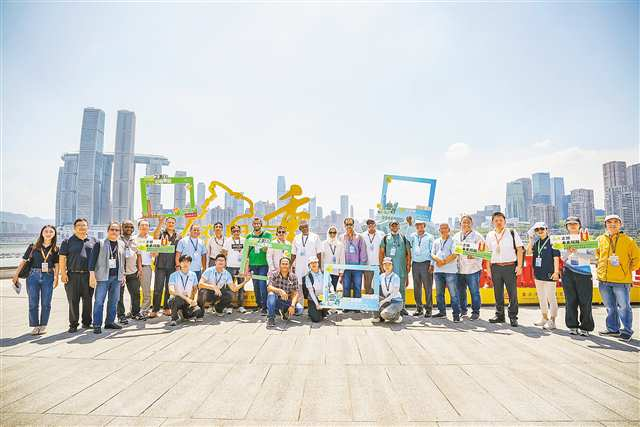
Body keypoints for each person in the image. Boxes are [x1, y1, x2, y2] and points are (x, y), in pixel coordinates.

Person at [596, 214, 640, 342]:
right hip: (603, 280)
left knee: (624, 307)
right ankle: (613, 329)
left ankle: (627, 331)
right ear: (605, 225)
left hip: (621, 281)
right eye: (609, 222)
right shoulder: (600, 239)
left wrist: (626, 270)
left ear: (620, 225)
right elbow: (598, 255)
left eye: (616, 222)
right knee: (610, 306)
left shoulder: (628, 240)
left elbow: (637, 259)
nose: (612, 224)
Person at [12, 225, 59, 335]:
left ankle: (43, 325)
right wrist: (16, 275)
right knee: (33, 302)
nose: (48, 233)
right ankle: (35, 326)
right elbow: (23, 261)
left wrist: (56, 278)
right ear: (42, 233)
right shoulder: (33, 247)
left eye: (51, 231)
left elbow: (56, 265)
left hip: (48, 276)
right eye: (46, 231)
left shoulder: (56, 249)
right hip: (32, 276)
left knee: (46, 303)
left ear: (54, 234)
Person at [485, 212, 524, 327]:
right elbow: (487, 253)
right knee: (498, 293)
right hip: (495, 267)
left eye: (500, 220)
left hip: (510, 266)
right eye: (496, 220)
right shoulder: (490, 235)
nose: (498, 222)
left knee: (512, 293)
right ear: (492, 222)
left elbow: (520, 249)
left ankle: (513, 317)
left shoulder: (512, 232)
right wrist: (488, 269)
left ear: (504, 221)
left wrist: (520, 266)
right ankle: (499, 315)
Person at [59, 218, 97, 333]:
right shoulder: (67, 241)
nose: (82, 227)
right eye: (79, 225)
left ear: (87, 227)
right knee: (73, 301)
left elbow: (96, 260)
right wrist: (63, 274)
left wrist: (94, 276)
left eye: (84, 225)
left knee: (88, 300)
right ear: (74, 228)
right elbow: (62, 258)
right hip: (72, 276)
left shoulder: (93, 241)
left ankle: (86, 323)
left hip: (88, 275)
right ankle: (73, 324)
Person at [560, 216, 595, 336]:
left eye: (575, 223)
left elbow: (592, 257)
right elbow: (562, 258)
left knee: (585, 301)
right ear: (566, 227)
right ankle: (572, 326)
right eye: (569, 224)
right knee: (570, 301)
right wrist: (568, 252)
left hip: (584, 273)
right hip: (568, 272)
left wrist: (577, 252)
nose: (572, 226)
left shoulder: (586, 238)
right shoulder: (564, 240)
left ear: (579, 225)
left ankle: (586, 327)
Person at [89, 222, 126, 334]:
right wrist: (92, 276)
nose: (114, 232)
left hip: (117, 277)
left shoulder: (121, 244)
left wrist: (123, 275)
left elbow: (122, 261)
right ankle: (97, 324)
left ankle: (110, 322)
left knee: (114, 301)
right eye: (112, 230)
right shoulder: (99, 243)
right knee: (99, 301)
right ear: (108, 231)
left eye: (116, 230)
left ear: (119, 232)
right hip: (102, 277)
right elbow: (92, 261)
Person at [526, 222, 560, 330]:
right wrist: (531, 239)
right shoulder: (537, 243)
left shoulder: (553, 242)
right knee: (541, 298)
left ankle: (552, 320)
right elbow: (528, 253)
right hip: (538, 274)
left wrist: (556, 272)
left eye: (542, 229)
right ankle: (544, 318)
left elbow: (556, 258)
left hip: (550, 274)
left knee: (551, 297)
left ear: (546, 229)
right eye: (537, 230)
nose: (540, 231)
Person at [453, 215, 484, 320]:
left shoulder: (478, 236)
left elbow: (484, 253)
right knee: (461, 291)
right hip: (459, 269)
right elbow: (453, 250)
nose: (465, 224)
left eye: (468, 222)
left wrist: (475, 254)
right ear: (460, 224)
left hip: (473, 269)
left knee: (474, 291)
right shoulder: (456, 236)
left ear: (472, 224)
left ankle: (476, 312)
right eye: (463, 222)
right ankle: (463, 311)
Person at [150, 216, 181, 318]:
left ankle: (166, 308)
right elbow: (155, 236)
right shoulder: (161, 233)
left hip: (172, 265)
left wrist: (178, 265)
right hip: (160, 265)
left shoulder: (178, 236)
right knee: (158, 288)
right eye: (169, 222)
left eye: (173, 222)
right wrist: (160, 223)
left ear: (175, 224)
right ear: (166, 223)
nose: (171, 224)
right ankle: (155, 309)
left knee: (169, 288)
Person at [379, 219, 412, 315]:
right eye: (392, 226)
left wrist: (408, 265)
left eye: (396, 225)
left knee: (401, 288)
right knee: (388, 289)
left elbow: (408, 253)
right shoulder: (385, 238)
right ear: (390, 227)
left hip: (401, 268)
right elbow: (381, 252)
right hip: (389, 269)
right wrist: (381, 266)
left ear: (399, 226)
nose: (394, 227)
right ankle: (388, 307)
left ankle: (402, 307)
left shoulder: (403, 237)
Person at [431, 223, 461, 322]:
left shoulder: (454, 241)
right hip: (438, 271)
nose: (443, 230)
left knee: (453, 294)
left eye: (445, 228)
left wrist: (443, 262)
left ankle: (456, 314)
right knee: (439, 293)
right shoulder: (436, 241)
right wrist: (437, 261)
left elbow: (455, 254)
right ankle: (442, 312)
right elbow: (432, 254)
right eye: (441, 228)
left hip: (450, 271)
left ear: (449, 230)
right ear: (439, 230)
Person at [291, 220, 322, 312]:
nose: (305, 228)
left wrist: (319, 266)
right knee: (299, 287)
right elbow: (293, 254)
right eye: (303, 227)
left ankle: (312, 308)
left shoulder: (315, 237)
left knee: (312, 287)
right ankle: (300, 308)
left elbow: (319, 252)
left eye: (306, 226)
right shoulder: (296, 238)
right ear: (300, 229)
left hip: (312, 267)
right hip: (299, 267)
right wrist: (290, 265)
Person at [117, 220, 144, 324]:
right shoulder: (118, 239)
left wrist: (140, 268)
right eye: (126, 227)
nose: (129, 229)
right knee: (119, 296)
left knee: (136, 294)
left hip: (133, 272)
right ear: (122, 227)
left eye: (131, 227)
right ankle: (121, 315)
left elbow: (139, 255)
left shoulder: (136, 240)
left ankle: (135, 313)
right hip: (120, 273)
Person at [266, 257, 303, 328]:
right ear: (280, 265)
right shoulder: (274, 274)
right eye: (283, 264)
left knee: (300, 309)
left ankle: (284, 311)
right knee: (271, 294)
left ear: (289, 265)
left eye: (286, 264)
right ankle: (271, 318)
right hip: (276, 300)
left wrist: (292, 305)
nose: (285, 265)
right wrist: (280, 291)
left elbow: (295, 293)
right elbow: (269, 287)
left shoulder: (293, 277)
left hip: (287, 300)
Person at [245, 218, 273, 314]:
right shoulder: (249, 236)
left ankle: (265, 307)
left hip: (263, 264)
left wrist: (266, 248)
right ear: (252, 224)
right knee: (255, 285)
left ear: (261, 224)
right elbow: (246, 251)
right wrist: (246, 266)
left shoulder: (268, 234)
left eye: (258, 223)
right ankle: (259, 305)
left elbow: (271, 247)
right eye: (255, 223)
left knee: (262, 284)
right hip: (253, 264)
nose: (256, 225)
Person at [409, 220, 434, 317]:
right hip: (415, 264)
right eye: (417, 225)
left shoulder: (429, 237)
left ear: (424, 226)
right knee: (417, 287)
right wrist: (409, 225)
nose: (419, 227)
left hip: (426, 263)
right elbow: (407, 239)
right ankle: (419, 309)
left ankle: (428, 309)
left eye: (421, 225)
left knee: (427, 287)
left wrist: (432, 264)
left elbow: (432, 251)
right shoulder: (413, 235)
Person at [167, 255, 201, 326]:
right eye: (183, 262)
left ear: (190, 263)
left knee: (197, 310)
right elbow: (171, 291)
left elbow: (195, 289)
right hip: (176, 299)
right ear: (179, 263)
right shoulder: (173, 275)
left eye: (187, 262)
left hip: (187, 301)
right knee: (176, 299)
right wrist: (185, 298)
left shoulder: (193, 274)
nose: (185, 263)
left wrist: (194, 300)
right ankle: (174, 318)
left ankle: (184, 315)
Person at [341, 217, 367, 302]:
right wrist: (340, 268)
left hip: (357, 266)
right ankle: (346, 306)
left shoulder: (359, 237)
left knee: (357, 286)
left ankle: (357, 307)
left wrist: (361, 267)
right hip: (345, 266)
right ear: (344, 225)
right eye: (347, 224)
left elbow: (363, 252)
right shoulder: (341, 237)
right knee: (346, 286)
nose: (349, 226)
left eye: (351, 224)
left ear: (353, 225)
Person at [223, 225, 247, 313]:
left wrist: (245, 267)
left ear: (240, 231)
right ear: (231, 232)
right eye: (234, 231)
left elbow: (246, 254)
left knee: (241, 287)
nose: (236, 233)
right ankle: (229, 306)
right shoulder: (228, 241)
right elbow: (224, 253)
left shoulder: (244, 240)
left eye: (237, 231)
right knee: (229, 288)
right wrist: (224, 266)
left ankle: (241, 306)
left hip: (241, 267)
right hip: (230, 267)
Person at [372, 257, 403, 324]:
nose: (387, 266)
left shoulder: (396, 277)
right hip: (387, 301)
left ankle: (397, 317)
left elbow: (394, 294)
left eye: (389, 264)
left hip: (396, 302)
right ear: (383, 266)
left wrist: (383, 301)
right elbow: (373, 287)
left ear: (392, 266)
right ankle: (378, 317)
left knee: (384, 314)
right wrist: (375, 276)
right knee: (374, 297)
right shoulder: (381, 276)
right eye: (385, 264)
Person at [361, 219, 385, 295]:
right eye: (369, 224)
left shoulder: (382, 234)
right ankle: (368, 304)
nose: (371, 225)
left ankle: (380, 303)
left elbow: (384, 248)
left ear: (375, 225)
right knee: (367, 286)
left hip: (379, 264)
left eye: (372, 224)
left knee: (380, 285)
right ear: (367, 225)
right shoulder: (363, 235)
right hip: (368, 264)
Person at [303, 256, 329, 322]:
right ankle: (312, 310)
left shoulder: (324, 272)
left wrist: (332, 293)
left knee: (323, 314)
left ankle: (323, 310)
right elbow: (311, 292)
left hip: (324, 297)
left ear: (318, 263)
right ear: (309, 265)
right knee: (316, 319)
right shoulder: (308, 276)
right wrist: (317, 304)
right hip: (314, 299)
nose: (314, 264)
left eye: (315, 262)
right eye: (311, 263)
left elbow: (330, 285)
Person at [136, 219, 154, 315]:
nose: (144, 227)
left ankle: (145, 310)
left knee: (146, 290)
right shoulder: (134, 238)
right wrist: (139, 268)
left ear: (149, 228)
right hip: (133, 268)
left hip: (146, 267)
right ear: (138, 227)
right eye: (142, 225)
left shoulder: (151, 239)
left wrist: (155, 252)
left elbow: (155, 254)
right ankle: (134, 310)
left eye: (146, 225)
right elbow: (136, 254)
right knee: (135, 291)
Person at [321, 225, 344, 291]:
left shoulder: (340, 244)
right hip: (327, 270)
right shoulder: (324, 243)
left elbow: (342, 258)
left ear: (336, 233)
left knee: (334, 288)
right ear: (328, 233)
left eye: (334, 232)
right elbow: (322, 258)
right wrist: (322, 269)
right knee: (327, 289)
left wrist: (341, 270)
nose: (332, 234)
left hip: (336, 270)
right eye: (330, 232)